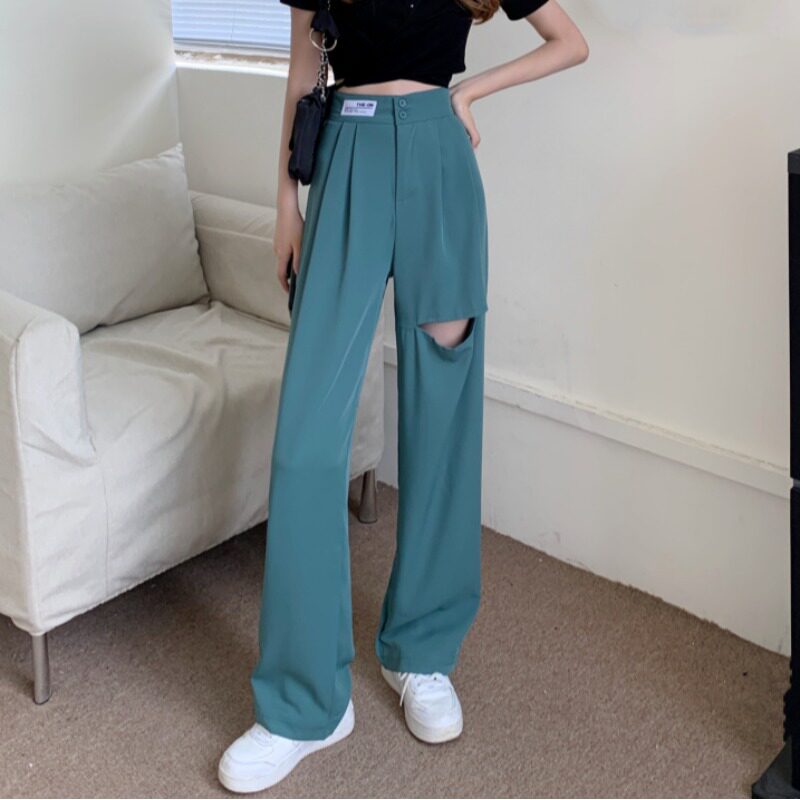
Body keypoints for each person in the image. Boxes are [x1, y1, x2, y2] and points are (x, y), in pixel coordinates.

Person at [218, 0, 588, 792]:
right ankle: (305, 704)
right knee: (305, 442)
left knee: (443, 416)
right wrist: (285, 204)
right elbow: (301, 72)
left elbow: (569, 42)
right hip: (345, 156)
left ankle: (421, 651)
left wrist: (469, 92)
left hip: (439, 164)